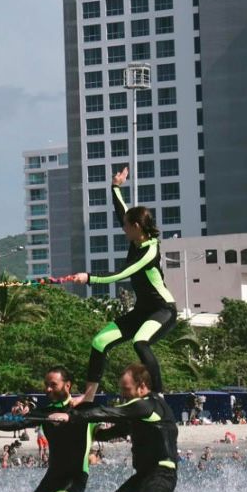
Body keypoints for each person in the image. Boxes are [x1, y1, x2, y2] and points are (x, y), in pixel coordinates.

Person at [66, 166, 176, 402]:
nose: (122, 228)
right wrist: (115, 187)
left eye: (126, 226)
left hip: (162, 310)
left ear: (136, 227)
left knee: (140, 342)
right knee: (99, 341)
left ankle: (158, 396)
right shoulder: (137, 238)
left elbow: (122, 273)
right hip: (142, 311)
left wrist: (89, 277)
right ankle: (88, 397)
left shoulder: (149, 251)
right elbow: (122, 212)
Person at [50, 364, 179, 492]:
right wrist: (96, 434)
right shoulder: (137, 413)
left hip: (162, 474)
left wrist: (71, 415)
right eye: (121, 389)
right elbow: (118, 430)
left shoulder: (147, 405)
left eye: (126, 389)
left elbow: (109, 412)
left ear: (142, 387)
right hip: (143, 476)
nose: (122, 394)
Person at [0, 367, 100, 492]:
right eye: (46, 385)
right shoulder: (44, 414)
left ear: (67, 386)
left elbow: (109, 422)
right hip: (52, 478)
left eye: (53, 384)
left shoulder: (82, 412)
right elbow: (19, 423)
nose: (48, 389)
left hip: (75, 479)